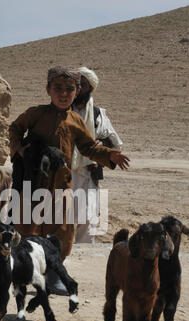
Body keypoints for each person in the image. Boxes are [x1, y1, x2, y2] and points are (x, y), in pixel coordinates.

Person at [8, 66, 129, 291]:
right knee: (27, 226)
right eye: (58, 88)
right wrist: (20, 150)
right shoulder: (35, 114)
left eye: (69, 89)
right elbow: (14, 128)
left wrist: (108, 154)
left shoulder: (75, 120)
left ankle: (54, 273)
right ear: (48, 90)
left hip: (61, 182)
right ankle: (21, 270)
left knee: (63, 229)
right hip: (33, 180)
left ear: (76, 91)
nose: (64, 94)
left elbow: (89, 147)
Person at [72, 67, 123, 243]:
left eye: (83, 85)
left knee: (87, 220)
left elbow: (116, 143)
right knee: (60, 220)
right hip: (64, 174)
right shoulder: (62, 111)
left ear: (90, 88)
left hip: (88, 174)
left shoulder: (98, 114)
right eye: (76, 84)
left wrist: (101, 147)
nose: (78, 89)